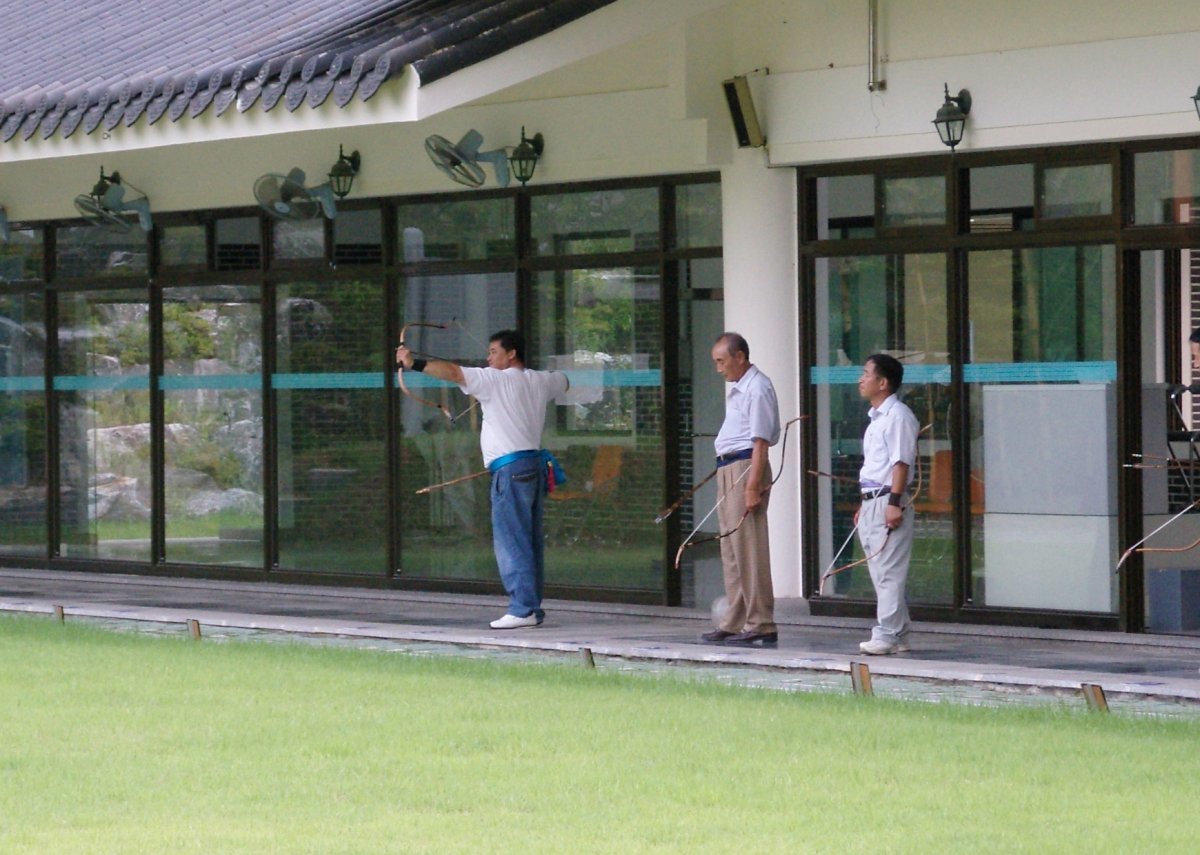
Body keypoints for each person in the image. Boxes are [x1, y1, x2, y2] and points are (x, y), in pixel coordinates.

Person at [396, 330, 568, 629]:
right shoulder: (541, 380)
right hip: (531, 466)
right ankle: (531, 607)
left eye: (493, 351)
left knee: (511, 539)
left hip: (511, 471)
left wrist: (413, 362)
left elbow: (452, 372)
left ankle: (522, 608)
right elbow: (564, 380)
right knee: (527, 539)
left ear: (511, 354)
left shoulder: (495, 379)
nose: (488, 358)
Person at [701, 332, 781, 647]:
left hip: (746, 467)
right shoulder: (739, 389)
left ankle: (761, 621)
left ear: (740, 357)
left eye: (722, 361)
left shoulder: (757, 388)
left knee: (749, 549)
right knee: (731, 550)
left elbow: (760, 442)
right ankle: (734, 620)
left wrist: (753, 485)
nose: (719, 369)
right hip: (728, 467)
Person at [855, 353, 920, 655]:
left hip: (888, 500)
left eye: (866, 374)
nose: (861, 379)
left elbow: (900, 464)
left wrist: (893, 502)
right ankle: (901, 633)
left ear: (883, 382)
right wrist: (864, 504)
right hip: (872, 500)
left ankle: (887, 633)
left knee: (889, 571)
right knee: (880, 572)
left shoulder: (899, 417)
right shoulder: (876, 420)